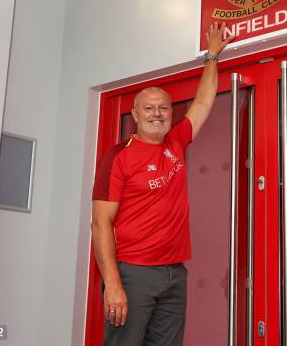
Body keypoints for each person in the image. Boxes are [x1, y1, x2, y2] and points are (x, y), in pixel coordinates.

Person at [91, 23, 233, 346]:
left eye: (164, 107)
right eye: (149, 108)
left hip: (174, 274)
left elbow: (202, 103)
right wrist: (112, 283)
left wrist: (211, 56)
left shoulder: (175, 142)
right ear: (135, 115)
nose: (158, 113)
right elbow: (100, 224)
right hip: (133, 274)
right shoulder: (118, 157)